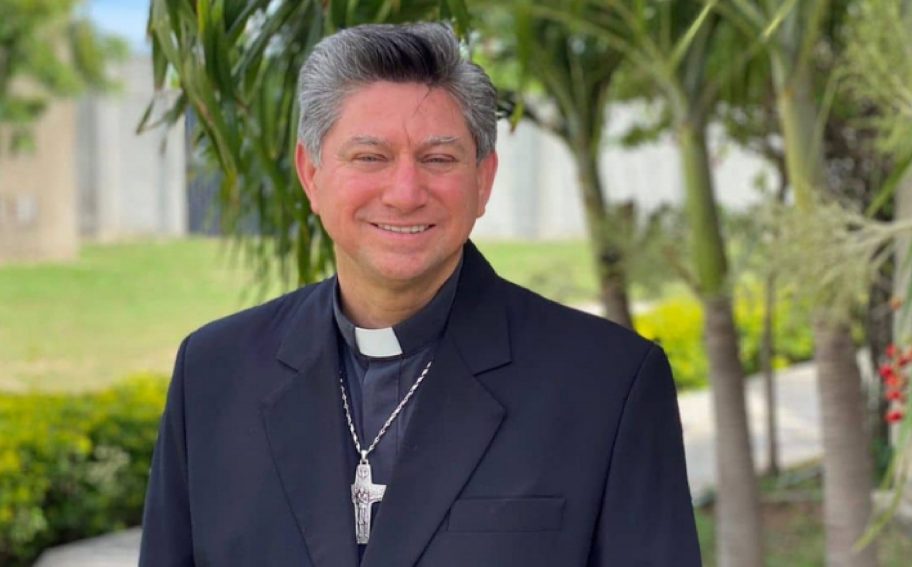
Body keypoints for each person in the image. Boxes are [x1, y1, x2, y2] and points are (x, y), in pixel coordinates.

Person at [139, 22, 701, 567]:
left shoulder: (608, 384)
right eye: (370, 157)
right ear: (311, 175)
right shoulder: (213, 373)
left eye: (438, 159)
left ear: (482, 180)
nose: (405, 193)